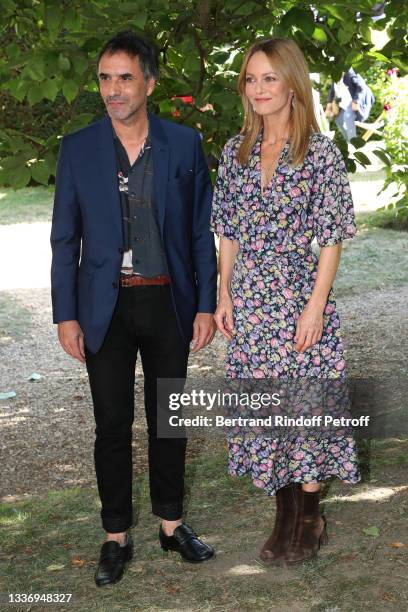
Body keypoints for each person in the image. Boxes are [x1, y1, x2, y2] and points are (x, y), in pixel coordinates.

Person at [50, 31, 217, 586]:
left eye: (124, 77)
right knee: (112, 425)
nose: (113, 89)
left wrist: (206, 305)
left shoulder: (184, 145)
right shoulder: (77, 148)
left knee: (169, 421)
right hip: (105, 308)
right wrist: (65, 313)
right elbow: (63, 239)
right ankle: (116, 535)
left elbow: (199, 234)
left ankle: (172, 526)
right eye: (104, 78)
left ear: (148, 81)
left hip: (169, 299)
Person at [210, 38, 361, 566]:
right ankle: (282, 513)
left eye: (269, 78)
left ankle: (310, 516)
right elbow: (227, 229)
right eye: (251, 80)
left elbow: (332, 236)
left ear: (292, 83)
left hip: (299, 303)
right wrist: (224, 292)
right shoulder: (236, 152)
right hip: (250, 307)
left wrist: (316, 306)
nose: (257, 90)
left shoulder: (320, 154)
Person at [325, 68, 375, 141]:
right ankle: (350, 142)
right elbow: (332, 92)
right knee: (339, 120)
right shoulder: (335, 76)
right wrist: (328, 107)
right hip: (346, 104)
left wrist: (356, 101)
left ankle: (354, 144)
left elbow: (361, 87)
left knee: (348, 117)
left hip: (357, 100)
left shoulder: (350, 73)